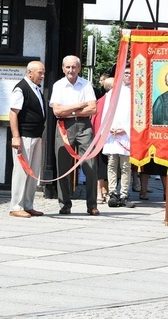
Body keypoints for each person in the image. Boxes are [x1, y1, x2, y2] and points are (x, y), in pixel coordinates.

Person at [49, 55, 99, 216]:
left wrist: (69, 109)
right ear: (63, 68)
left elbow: (93, 109)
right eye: (68, 67)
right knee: (63, 165)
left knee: (90, 166)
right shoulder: (58, 85)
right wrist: (79, 105)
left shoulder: (85, 84)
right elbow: (57, 111)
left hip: (84, 126)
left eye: (74, 67)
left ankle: (92, 204)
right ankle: (65, 204)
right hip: (65, 126)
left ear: (79, 68)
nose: (71, 70)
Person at [8, 61, 47, 218]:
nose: (42, 76)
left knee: (33, 172)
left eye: (43, 72)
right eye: (40, 73)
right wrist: (16, 137)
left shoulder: (35, 88)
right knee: (21, 171)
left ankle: (28, 204)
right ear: (30, 72)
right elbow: (13, 113)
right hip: (24, 136)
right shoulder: (21, 88)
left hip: (36, 136)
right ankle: (16, 206)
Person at [103, 66, 135, 208]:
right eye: (126, 73)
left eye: (130, 73)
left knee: (125, 166)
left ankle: (124, 194)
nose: (128, 75)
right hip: (112, 133)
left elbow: (137, 116)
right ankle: (112, 193)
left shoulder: (136, 93)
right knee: (112, 164)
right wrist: (108, 127)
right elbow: (106, 112)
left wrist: (126, 129)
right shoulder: (112, 93)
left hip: (126, 134)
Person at [92, 77, 114, 204]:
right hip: (103, 138)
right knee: (102, 166)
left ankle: (108, 192)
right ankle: (100, 192)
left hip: (114, 138)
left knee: (111, 166)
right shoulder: (101, 102)